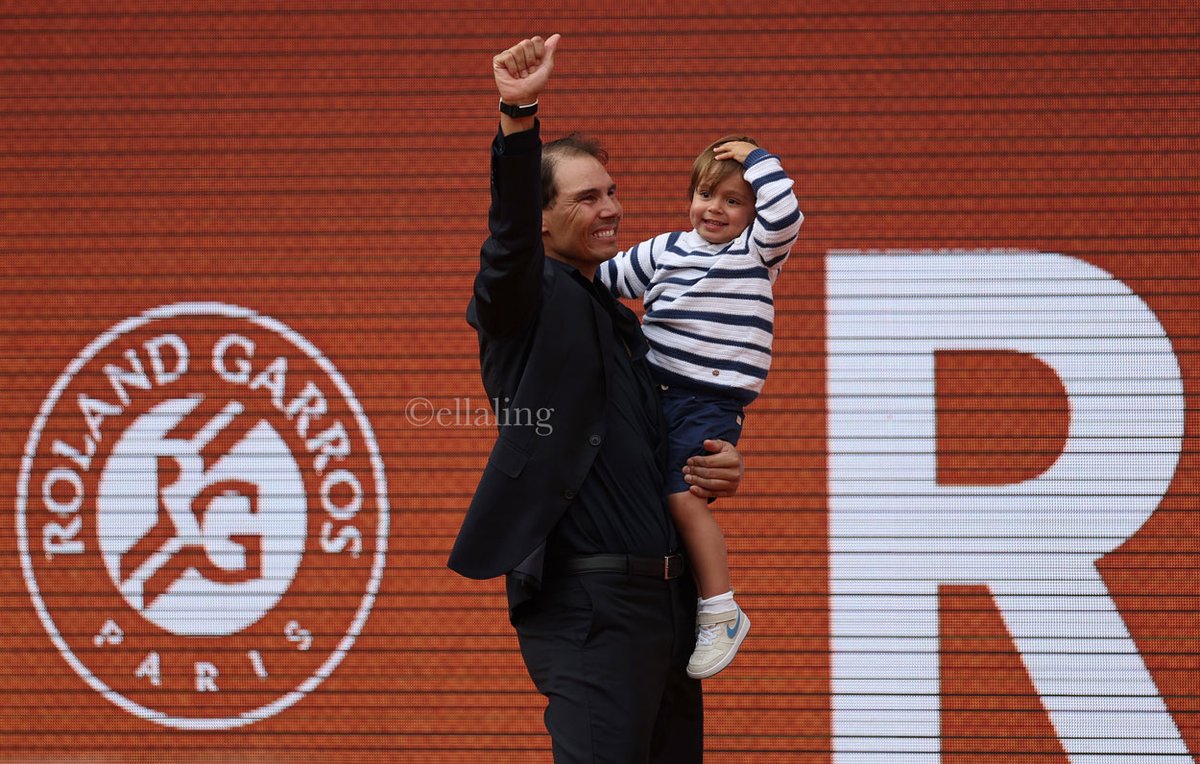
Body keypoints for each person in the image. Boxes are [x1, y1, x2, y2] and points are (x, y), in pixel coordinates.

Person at [447, 34, 746, 762]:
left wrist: (713, 465)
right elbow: (508, 242)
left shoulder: (619, 319)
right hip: (588, 607)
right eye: (588, 197)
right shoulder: (526, 301)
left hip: (667, 607)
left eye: (612, 191)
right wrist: (519, 119)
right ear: (542, 219)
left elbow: (651, 443)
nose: (612, 208)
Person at [598, 136, 803, 678]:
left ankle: (720, 609)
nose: (716, 208)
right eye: (707, 193)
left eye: (735, 201)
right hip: (651, 394)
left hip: (709, 402)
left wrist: (759, 160)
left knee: (683, 496)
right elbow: (600, 279)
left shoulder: (756, 253)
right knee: (642, 492)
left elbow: (786, 213)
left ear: (754, 213)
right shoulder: (665, 249)